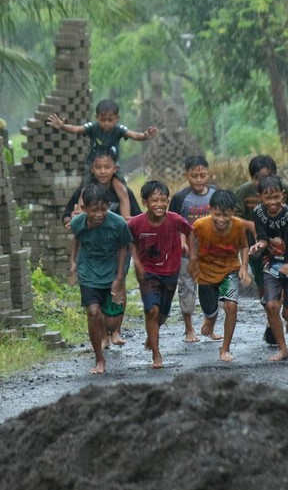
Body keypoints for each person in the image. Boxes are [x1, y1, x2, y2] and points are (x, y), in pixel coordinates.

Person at [235, 154, 288, 344]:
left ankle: (284, 316)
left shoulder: (283, 189)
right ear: (253, 179)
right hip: (258, 246)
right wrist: (252, 227)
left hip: (283, 245)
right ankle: (271, 320)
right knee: (263, 287)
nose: (263, 182)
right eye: (258, 178)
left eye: (267, 176)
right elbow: (236, 218)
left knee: (281, 284)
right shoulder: (244, 192)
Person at [63, 147, 138, 345]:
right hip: (93, 252)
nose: (103, 171)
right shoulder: (84, 192)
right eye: (99, 167)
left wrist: (125, 223)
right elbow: (70, 215)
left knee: (117, 288)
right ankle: (102, 335)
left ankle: (116, 330)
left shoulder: (122, 190)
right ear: (92, 170)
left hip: (117, 246)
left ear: (115, 168)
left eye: (107, 167)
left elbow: (136, 218)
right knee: (95, 304)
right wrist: (71, 219)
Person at [47, 98, 158, 219]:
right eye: (102, 119)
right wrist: (62, 126)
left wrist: (145, 136)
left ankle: (126, 217)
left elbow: (134, 135)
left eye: (110, 120)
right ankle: (79, 215)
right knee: (85, 189)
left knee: (122, 188)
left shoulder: (119, 129)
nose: (106, 123)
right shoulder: (93, 127)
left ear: (117, 118)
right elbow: (76, 129)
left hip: (113, 163)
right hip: (92, 164)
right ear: (97, 117)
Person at [127, 180, 194, 369]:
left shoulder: (174, 220)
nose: (159, 204)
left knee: (162, 313)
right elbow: (129, 241)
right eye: (154, 200)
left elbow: (189, 231)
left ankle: (152, 333)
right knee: (151, 310)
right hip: (148, 272)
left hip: (170, 271)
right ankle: (156, 354)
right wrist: (137, 263)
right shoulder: (136, 223)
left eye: (163, 200)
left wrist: (192, 256)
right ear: (145, 202)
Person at [69, 183, 132, 375]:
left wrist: (120, 278)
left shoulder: (117, 223)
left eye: (103, 209)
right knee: (93, 312)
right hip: (88, 273)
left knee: (111, 323)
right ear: (85, 208)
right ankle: (99, 358)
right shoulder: (78, 223)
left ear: (108, 206)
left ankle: (112, 332)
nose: (99, 214)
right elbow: (77, 240)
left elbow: (124, 248)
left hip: (111, 272)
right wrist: (73, 262)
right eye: (94, 210)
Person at [249, 175, 288, 363]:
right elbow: (262, 238)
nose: (272, 202)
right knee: (271, 305)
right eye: (267, 198)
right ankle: (283, 349)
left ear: (283, 196)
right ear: (259, 197)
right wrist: (258, 246)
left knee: (287, 314)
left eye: (276, 197)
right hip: (271, 264)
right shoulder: (258, 213)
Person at [188, 189, 251, 362]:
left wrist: (244, 267)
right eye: (217, 215)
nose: (221, 219)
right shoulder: (201, 225)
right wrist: (193, 258)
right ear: (210, 210)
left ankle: (225, 349)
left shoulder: (238, 226)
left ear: (233, 212)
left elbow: (244, 247)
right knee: (209, 309)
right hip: (206, 272)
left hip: (229, 270)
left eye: (225, 215)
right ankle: (210, 318)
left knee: (231, 306)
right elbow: (190, 238)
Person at [168, 154, 217, 343]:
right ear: (186, 175)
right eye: (194, 176)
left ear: (208, 174)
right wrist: (179, 242)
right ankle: (189, 329)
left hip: (211, 251)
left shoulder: (215, 194)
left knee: (211, 288)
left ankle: (209, 325)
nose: (198, 180)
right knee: (187, 288)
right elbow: (174, 223)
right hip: (187, 252)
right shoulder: (180, 197)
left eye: (202, 175)